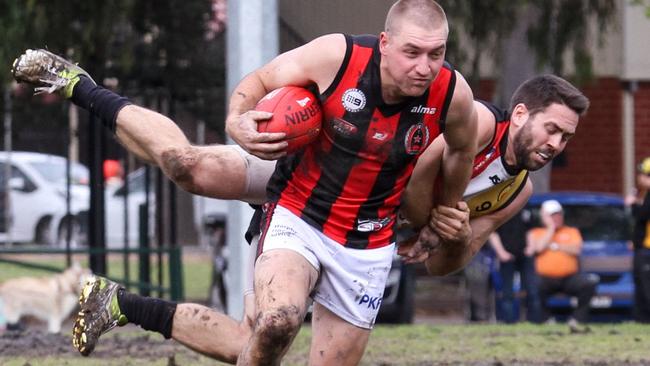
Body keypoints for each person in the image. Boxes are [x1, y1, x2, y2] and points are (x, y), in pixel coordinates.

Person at [14, 1, 479, 364]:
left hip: (363, 232)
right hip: (293, 181)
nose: (424, 66)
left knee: (252, 338)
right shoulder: (338, 56)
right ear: (384, 43)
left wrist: (446, 210)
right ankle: (80, 85)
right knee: (185, 165)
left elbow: (460, 151)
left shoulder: (453, 95)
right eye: (412, 52)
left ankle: (118, 305)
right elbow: (259, 80)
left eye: (435, 54)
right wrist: (237, 121)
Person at [528, 199, 598, 328]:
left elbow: (576, 249)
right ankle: (546, 319)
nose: (557, 218)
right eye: (552, 215)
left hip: (569, 278)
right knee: (534, 285)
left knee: (589, 283)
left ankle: (577, 319)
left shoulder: (571, 231)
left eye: (559, 214)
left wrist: (555, 246)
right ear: (544, 217)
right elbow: (538, 248)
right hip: (546, 279)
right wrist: (550, 229)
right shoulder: (536, 232)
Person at [489, 211, 542, 323]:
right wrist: (501, 253)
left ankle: (534, 322)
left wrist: (530, 248)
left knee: (532, 290)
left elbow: (529, 231)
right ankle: (509, 322)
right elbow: (493, 233)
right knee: (507, 291)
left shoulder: (525, 209)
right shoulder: (500, 210)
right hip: (507, 256)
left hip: (525, 256)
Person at [626, 157, 650, 323]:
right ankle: (641, 318)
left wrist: (634, 205)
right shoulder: (646, 194)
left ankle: (644, 318)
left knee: (646, 286)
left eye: (643, 174)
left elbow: (643, 215)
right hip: (642, 246)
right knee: (641, 284)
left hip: (647, 248)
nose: (640, 178)